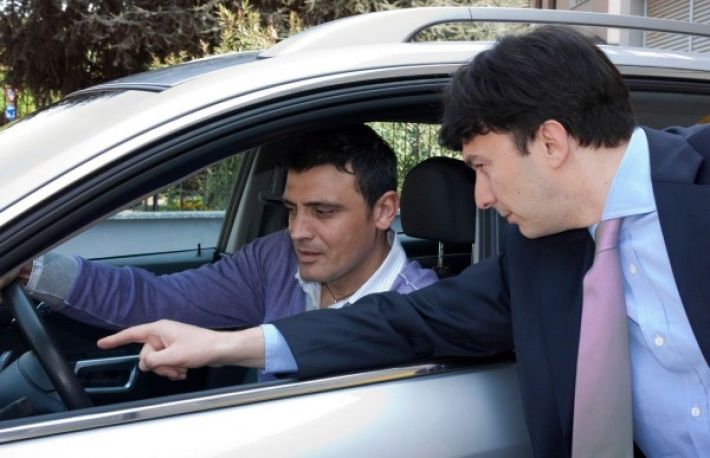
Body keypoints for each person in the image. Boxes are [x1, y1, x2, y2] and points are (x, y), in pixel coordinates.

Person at [98, 26, 709, 457]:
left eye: (482, 167)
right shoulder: (541, 254)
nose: (480, 198)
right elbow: (405, 321)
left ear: (550, 143)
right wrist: (225, 345)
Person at [2, 125, 438, 381]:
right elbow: (159, 300)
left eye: (323, 212)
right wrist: (28, 266)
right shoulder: (276, 259)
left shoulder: (426, 309)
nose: (297, 231)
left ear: (384, 210)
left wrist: (219, 347)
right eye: (291, 209)